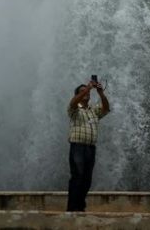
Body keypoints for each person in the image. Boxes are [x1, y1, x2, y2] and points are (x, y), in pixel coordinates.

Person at [66, 77, 110, 212]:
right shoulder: (74, 109)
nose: (87, 94)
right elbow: (73, 102)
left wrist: (101, 93)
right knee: (77, 176)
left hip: (90, 148)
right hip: (77, 147)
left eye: (88, 92)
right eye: (82, 92)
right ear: (78, 94)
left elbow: (106, 108)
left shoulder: (93, 110)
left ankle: (80, 206)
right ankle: (72, 208)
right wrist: (88, 88)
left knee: (87, 179)